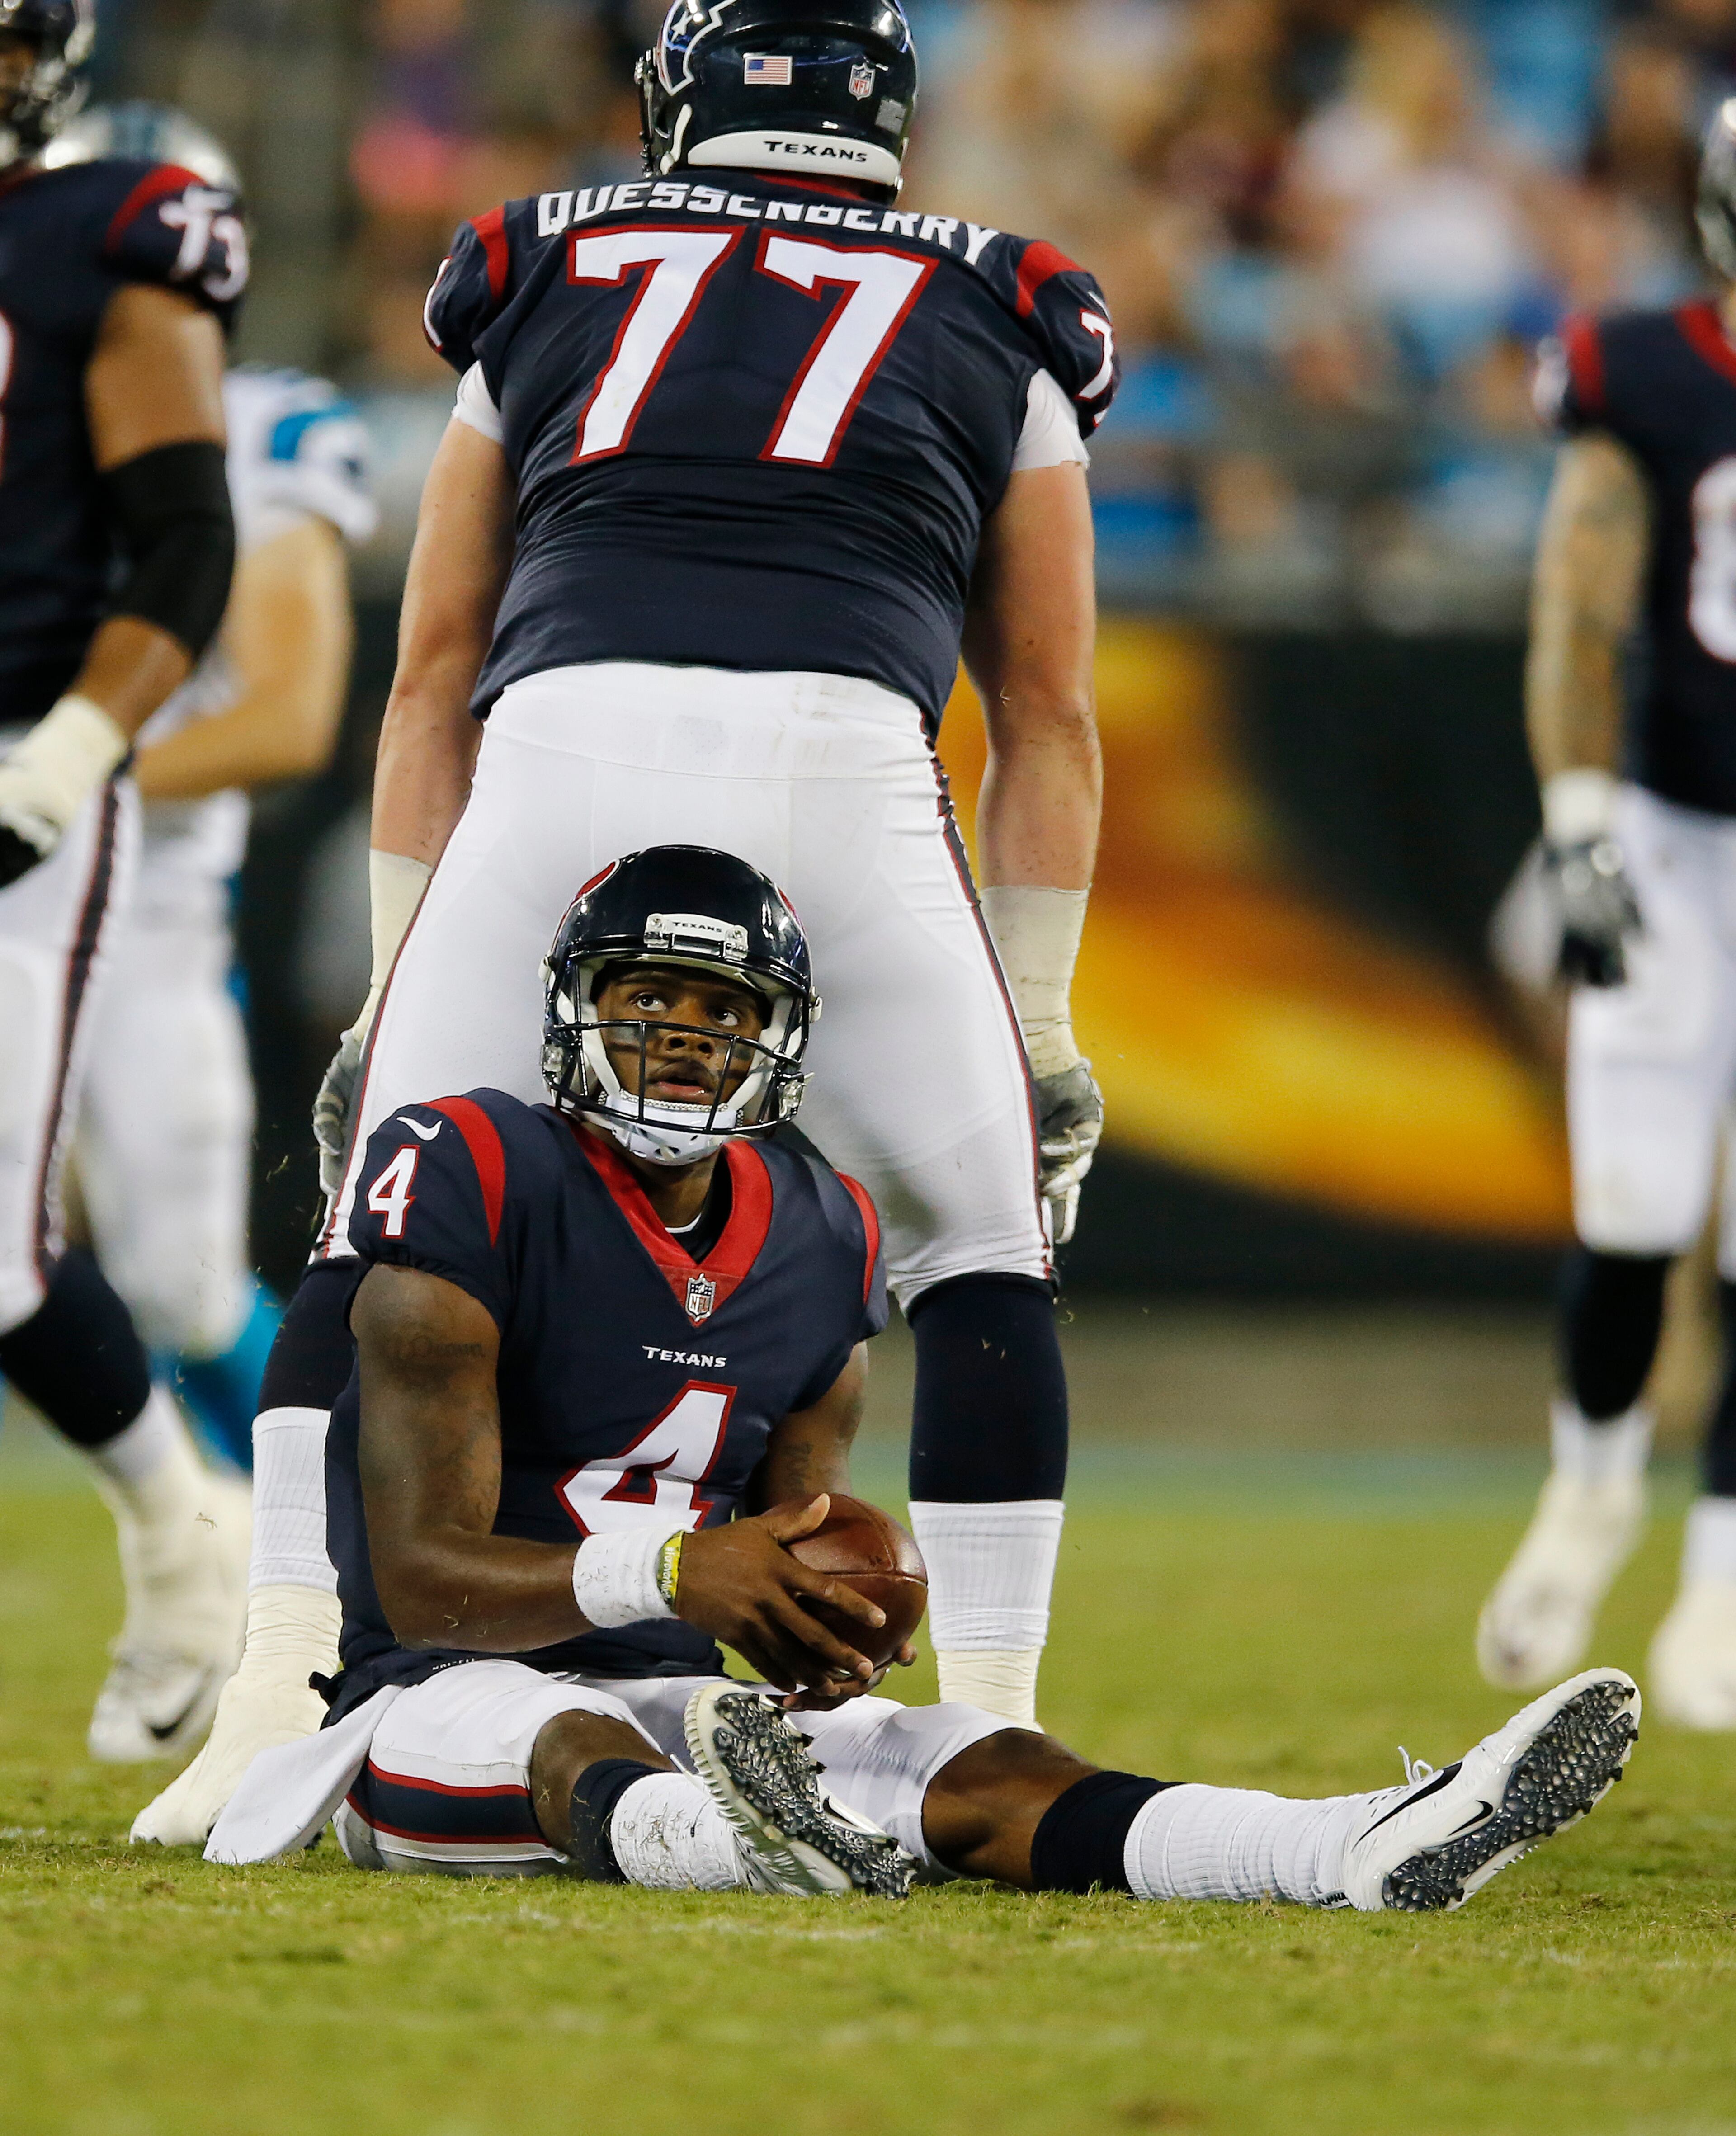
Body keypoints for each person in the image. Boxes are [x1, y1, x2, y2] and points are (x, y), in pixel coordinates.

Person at [138, 0, 1116, 1844]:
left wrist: (399, 975)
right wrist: (1045, 1017)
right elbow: (1049, 714)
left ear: (682, 98)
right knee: (986, 1258)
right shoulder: (1007, 296)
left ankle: (271, 1687)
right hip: (849, 759)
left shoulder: (545, 254)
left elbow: (432, 672)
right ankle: (992, 1721)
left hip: (562, 744)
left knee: (367, 1224)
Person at [198, 849, 1639, 1915]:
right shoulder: (472, 1165)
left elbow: (799, 1542)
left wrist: (829, 1626)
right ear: (577, 1010)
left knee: (974, 1755)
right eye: (646, 998)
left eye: (721, 1006)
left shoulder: (823, 1228)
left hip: (687, 1704)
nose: (684, 1032)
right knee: (557, 1732)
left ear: (777, 1037)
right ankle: (736, 1844)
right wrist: (677, 1573)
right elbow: (424, 1586)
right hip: (435, 1710)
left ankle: (1342, 1845)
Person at [43, 103, 377, 1472]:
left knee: (179, 1289)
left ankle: (328, 1535)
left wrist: (48, 777)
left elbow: (284, 719)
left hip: (142, 908)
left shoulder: (259, 431)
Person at [0, 4, 251, 1761]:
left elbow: (184, 539)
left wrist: (75, 749)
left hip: (19, 757)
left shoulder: (108, 231)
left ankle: (184, 1529)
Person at [1477, 98, 1736, 1728]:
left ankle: (1728, 1565)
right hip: (1673, 831)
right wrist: (1577, 826)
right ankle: (1592, 1487)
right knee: (1634, 1207)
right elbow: (1574, 608)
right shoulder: (1644, 370)